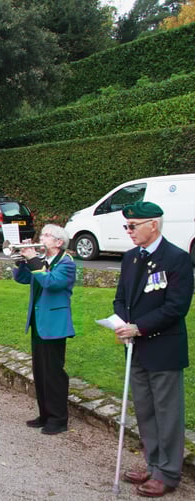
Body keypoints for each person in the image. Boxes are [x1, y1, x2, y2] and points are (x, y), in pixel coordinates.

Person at [113, 201, 192, 498]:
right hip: (136, 347)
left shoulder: (177, 259)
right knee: (145, 411)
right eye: (127, 226)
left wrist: (139, 327)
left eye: (133, 226)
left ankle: (168, 473)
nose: (129, 231)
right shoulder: (131, 258)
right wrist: (121, 322)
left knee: (167, 412)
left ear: (153, 225)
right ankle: (153, 463)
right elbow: (121, 298)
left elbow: (176, 307)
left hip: (162, 348)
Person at [12, 224, 76, 435]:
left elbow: (51, 283)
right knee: (40, 371)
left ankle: (58, 419)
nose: (42, 238)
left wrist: (33, 260)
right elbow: (22, 278)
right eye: (42, 234)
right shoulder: (41, 260)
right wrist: (22, 260)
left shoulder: (66, 263)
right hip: (38, 322)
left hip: (54, 324)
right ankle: (45, 414)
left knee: (54, 372)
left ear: (59, 242)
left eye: (47, 235)